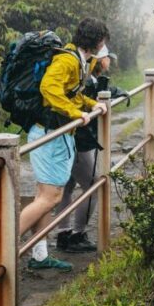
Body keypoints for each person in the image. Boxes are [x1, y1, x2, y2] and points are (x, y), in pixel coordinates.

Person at [19, 17, 109, 271]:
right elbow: (49, 88)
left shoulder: (82, 60)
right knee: (50, 198)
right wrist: (74, 112)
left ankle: (39, 255)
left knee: (46, 197)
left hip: (58, 134)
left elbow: (73, 92)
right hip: (48, 134)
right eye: (103, 41)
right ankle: (1, 251)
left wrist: (91, 105)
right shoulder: (67, 59)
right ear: (97, 40)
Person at [54, 45, 128, 253]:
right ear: (98, 59)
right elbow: (83, 104)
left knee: (67, 185)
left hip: (69, 136)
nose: (110, 62)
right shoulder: (86, 80)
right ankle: (76, 234)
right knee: (93, 185)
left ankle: (64, 234)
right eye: (107, 58)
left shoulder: (88, 79)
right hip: (78, 139)